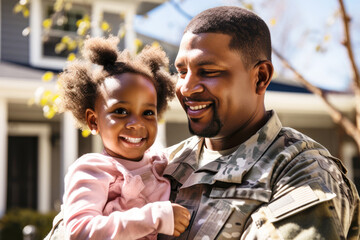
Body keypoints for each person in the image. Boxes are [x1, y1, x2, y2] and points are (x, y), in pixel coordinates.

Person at [158, 6, 360, 240]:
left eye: (208, 71)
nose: (186, 88)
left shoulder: (302, 173)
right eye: (182, 72)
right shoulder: (162, 166)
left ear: (260, 77)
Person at [45, 37, 190, 240]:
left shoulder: (162, 164)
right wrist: (155, 217)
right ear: (94, 121)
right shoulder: (92, 169)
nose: (136, 123)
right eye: (121, 111)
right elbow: (80, 231)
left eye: (148, 113)